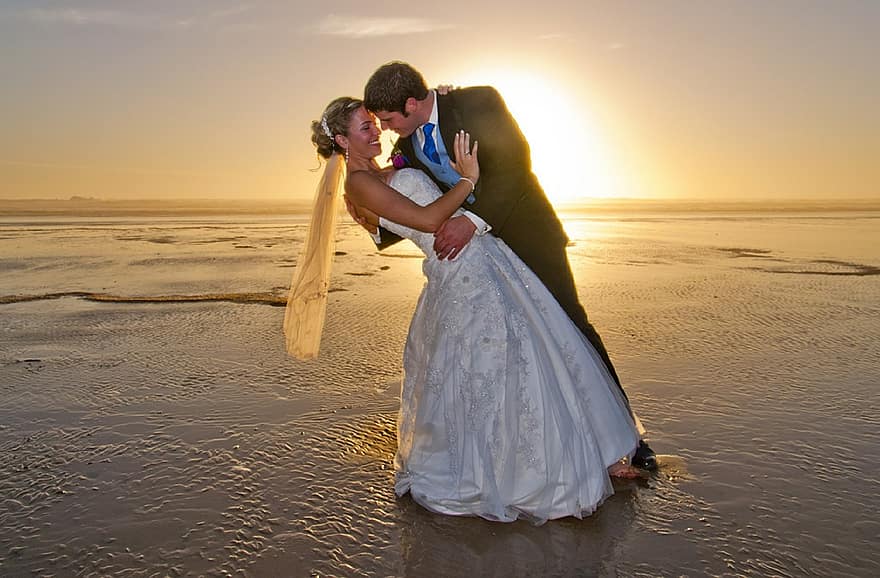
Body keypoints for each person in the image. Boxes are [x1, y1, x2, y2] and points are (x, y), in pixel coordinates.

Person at [291, 96, 643, 524]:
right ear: (343, 141)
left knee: (538, 354)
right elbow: (427, 220)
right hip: (460, 276)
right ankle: (519, 474)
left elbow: (403, 217)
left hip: (487, 260)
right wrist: (468, 180)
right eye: (366, 127)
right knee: (493, 369)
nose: (378, 130)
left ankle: (595, 453)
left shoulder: (390, 172)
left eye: (376, 122)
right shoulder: (359, 185)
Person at [360, 61, 657, 469]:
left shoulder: (478, 101)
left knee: (570, 325)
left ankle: (627, 437)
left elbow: (515, 165)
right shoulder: (405, 147)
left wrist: (473, 221)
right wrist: (377, 225)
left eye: (391, 119)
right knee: (522, 345)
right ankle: (545, 442)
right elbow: (412, 201)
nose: (388, 128)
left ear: (411, 104)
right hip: (485, 260)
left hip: (527, 234)